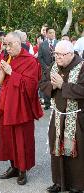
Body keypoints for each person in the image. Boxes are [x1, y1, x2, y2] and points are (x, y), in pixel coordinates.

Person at [0, 32, 43, 185]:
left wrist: (11, 72)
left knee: (22, 139)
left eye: (10, 44)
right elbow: (0, 83)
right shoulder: (8, 58)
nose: (7, 48)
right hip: (7, 105)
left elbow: (31, 86)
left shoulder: (30, 61)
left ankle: (22, 170)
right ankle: (13, 167)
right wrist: (3, 71)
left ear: (19, 43)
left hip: (21, 108)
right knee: (9, 138)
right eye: (5, 44)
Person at [40, 40, 84, 193]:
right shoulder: (53, 66)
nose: (57, 57)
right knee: (56, 149)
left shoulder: (82, 66)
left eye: (61, 55)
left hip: (76, 118)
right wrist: (52, 85)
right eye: (56, 54)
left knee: (73, 151)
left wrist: (62, 85)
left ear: (71, 54)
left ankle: (76, 186)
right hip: (58, 116)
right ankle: (58, 182)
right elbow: (42, 83)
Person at [38, 27, 58, 110]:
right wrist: (45, 67)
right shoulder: (42, 44)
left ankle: (56, 103)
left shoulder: (58, 43)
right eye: (50, 32)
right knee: (46, 85)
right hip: (45, 68)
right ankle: (47, 103)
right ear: (46, 34)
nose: (52, 34)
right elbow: (40, 57)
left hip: (56, 68)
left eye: (53, 32)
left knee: (56, 85)